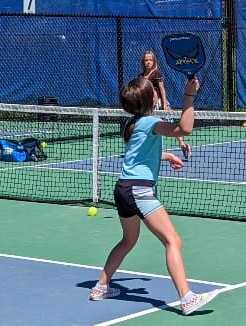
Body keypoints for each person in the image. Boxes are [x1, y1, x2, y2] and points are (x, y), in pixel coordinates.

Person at [89, 76, 218, 315]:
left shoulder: (132, 124)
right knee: (172, 241)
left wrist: (167, 156)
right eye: (155, 92)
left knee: (128, 241)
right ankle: (187, 298)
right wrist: (189, 96)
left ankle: (101, 286)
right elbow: (185, 129)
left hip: (123, 189)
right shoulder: (150, 122)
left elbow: (138, 157)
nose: (158, 94)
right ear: (152, 98)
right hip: (140, 190)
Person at [140, 50, 192, 159]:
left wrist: (164, 104)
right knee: (154, 128)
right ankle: (157, 151)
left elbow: (162, 89)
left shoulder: (157, 74)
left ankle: (183, 145)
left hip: (159, 105)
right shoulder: (141, 77)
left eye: (150, 60)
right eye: (146, 60)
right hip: (149, 107)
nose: (148, 62)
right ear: (143, 62)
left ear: (154, 61)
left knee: (172, 126)